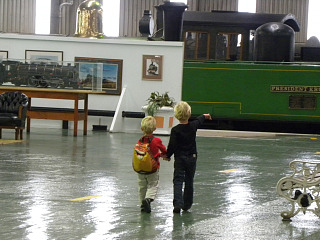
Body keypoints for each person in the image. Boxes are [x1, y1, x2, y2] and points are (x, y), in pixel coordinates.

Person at [165, 101, 212, 214]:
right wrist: (205, 116)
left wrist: (167, 155)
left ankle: (177, 203)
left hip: (180, 158)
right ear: (189, 114)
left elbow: (172, 145)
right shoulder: (193, 126)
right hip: (192, 157)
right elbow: (199, 120)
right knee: (189, 180)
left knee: (178, 180)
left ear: (176, 115)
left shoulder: (175, 130)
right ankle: (187, 204)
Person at [137, 116, 168, 213]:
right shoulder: (156, 140)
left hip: (141, 168)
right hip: (152, 168)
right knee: (153, 184)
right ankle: (148, 199)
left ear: (142, 129)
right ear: (155, 128)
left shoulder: (140, 141)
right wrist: (163, 155)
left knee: (142, 187)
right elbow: (163, 150)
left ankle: (142, 204)